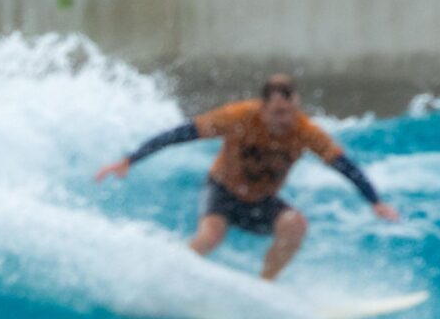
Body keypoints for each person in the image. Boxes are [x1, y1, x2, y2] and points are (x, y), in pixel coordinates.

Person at [95, 74, 398, 281]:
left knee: (295, 225)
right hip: (222, 191)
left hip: (261, 200)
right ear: (263, 106)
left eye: (291, 111)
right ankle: (167, 278)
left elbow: (343, 165)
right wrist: (130, 160)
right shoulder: (237, 117)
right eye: (279, 113)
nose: (286, 120)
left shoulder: (304, 131)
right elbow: (181, 134)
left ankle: (263, 288)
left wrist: (375, 202)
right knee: (211, 236)